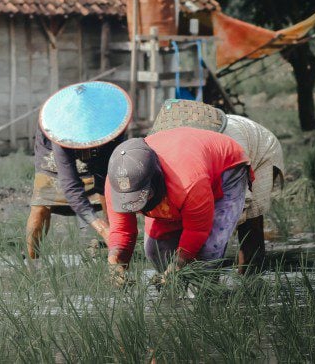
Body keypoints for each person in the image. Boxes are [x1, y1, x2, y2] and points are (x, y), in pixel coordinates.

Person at [104, 127, 252, 285]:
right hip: (179, 175)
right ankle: (178, 292)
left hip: (226, 169)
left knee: (208, 252)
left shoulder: (189, 183)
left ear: (154, 180)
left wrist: (177, 266)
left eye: (138, 198)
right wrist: (116, 262)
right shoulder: (117, 182)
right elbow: (122, 230)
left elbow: (197, 231)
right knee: (155, 251)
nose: (134, 205)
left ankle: (206, 300)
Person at [150, 99, 284, 272]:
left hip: (260, 151)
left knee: (249, 222)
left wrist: (204, 249)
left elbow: (234, 207)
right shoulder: (174, 146)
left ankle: (251, 279)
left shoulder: (229, 142)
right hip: (211, 164)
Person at [26, 81, 132, 259]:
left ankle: (116, 252)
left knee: (109, 195)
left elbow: (106, 172)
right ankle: (31, 260)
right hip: (52, 160)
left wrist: (113, 232)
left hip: (98, 156)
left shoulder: (112, 124)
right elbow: (71, 186)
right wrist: (101, 228)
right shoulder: (58, 129)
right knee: (40, 207)